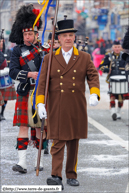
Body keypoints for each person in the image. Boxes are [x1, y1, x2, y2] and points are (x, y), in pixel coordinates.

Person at [36, 18, 100, 190]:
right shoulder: (49, 58)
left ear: (74, 38)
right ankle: (55, 176)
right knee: (58, 141)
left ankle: (71, 175)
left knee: (73, 141)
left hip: (76, 105)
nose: (68, 38)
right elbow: (41, 84)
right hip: (57, 105)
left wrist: (94, 93)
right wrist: (40, 104)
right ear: (59, 38)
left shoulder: (84, 57)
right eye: (65, 36)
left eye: (71, 35)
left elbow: (93, 76)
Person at [9, 4, 49, 174]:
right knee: (23, 126)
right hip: (25, 91)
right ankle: (22, 162)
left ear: (36, 33)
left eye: (30, 33)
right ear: (21, 34)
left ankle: (38, 161)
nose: (27, 37)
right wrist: (29, 75)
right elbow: (12, 71)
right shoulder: (17, 51)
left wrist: (47, 53)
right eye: (25, 34)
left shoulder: (43, 50)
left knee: (39, 127)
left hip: (40, 93)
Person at [99, 40, 126, 120]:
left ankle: (118, 112)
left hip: (123, 79)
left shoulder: (125, 56)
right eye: (115, 47)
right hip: (112, 79)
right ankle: (113, 111)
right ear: (113, 48)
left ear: (120, 47)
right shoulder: (108, 56)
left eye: (118, 47)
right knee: (112, 96)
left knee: (122, 97)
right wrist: (107, 69)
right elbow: (101, 66)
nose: (117, 49)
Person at [0, 36, 16, 121]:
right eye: (0, 41)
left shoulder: (8, 51)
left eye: (2, 41)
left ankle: (2, 113)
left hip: (5, 75)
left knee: (5, 97)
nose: (1, 43)